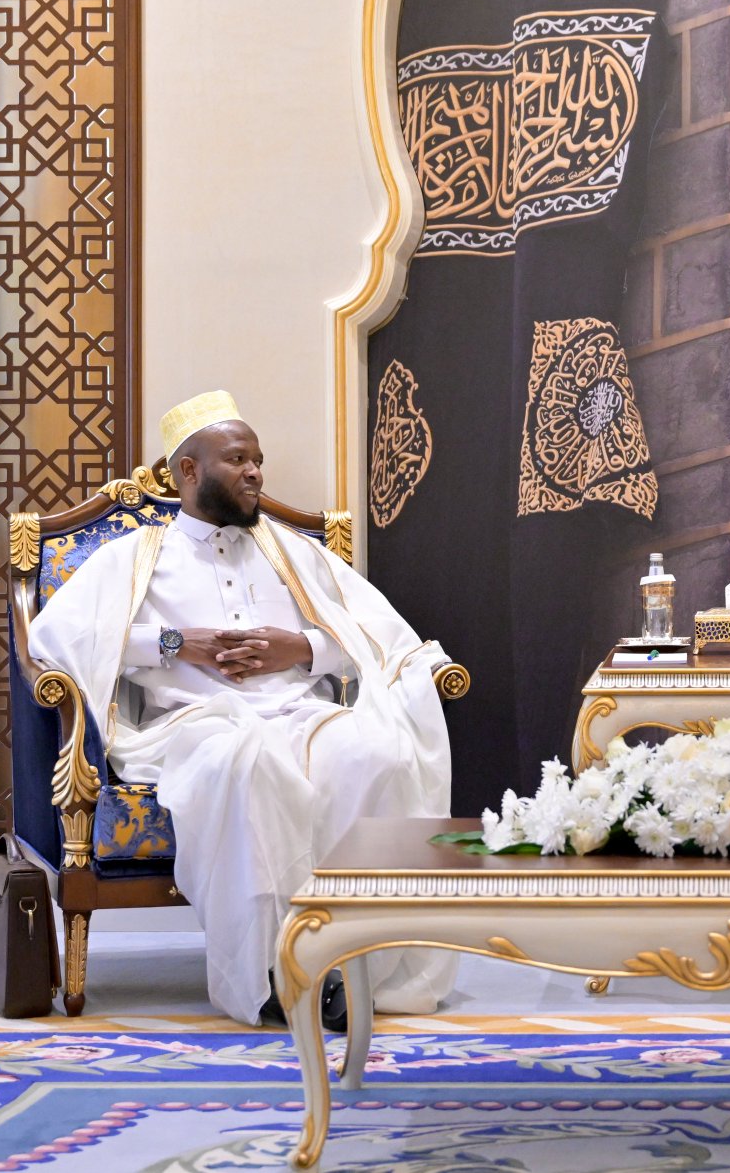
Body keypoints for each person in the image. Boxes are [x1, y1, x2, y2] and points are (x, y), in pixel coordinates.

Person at [29, 391, 458, 1026]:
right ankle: (272, 972)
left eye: (258, 459)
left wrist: (303, 648)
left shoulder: (296, 554)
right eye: (237, 459)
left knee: (378, 754)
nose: (256, 472)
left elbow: (374, 639)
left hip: (300, 715)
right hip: (195, 725)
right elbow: (53, 642)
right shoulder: (135, 556)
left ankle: (350, 960)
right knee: (249, 764)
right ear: (188, 472)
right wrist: (178, 644)